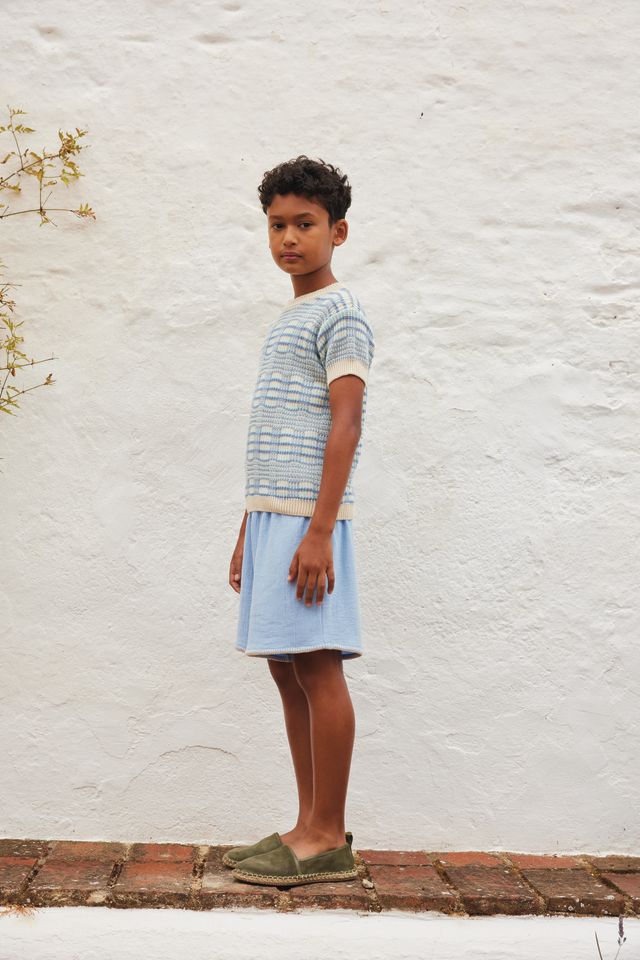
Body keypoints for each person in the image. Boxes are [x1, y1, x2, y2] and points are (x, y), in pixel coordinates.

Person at [226, 155, 375, 887]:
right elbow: (277, 434)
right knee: (287, 669)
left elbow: (346, 425)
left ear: (337, 232)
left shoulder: (341, 312)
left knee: (317, 665)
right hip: (275, 519)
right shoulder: (291, 316)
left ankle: (327, 836)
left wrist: (319, 531)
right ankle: (306, 822)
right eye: (277, 224)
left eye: (305, 224)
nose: (288, 237)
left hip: (308, 523)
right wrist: (248, 528)